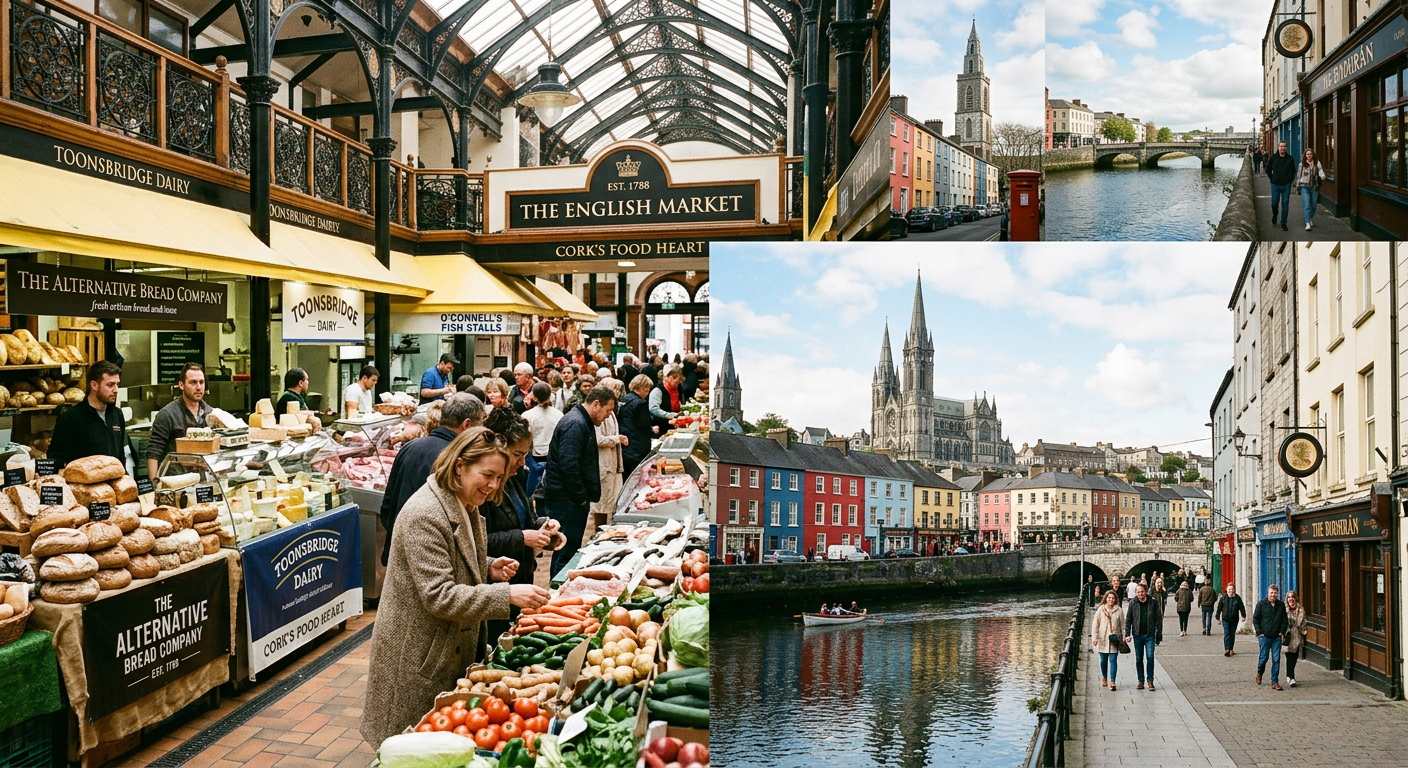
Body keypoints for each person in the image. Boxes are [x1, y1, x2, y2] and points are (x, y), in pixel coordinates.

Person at [359, 427, 552, 748]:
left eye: (499, 478)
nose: (492, 486)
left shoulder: (463, 502)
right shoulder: (426, 513)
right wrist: (507, 594)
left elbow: (452, 557)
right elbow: (440, 596)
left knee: (436, 748)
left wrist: (487, 565)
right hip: (418, 652)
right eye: (487, 475)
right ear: (460, 465)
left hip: (443, 646)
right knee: (407, 747)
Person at [480, 407, 564, 635]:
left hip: (521, 577)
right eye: (517, 454)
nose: (522, 461)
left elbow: (526, 518)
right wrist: (523, 538)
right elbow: (477, 542)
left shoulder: (517, 477)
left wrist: (544, 529)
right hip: (495, 591)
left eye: (525, 454)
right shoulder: (482, 488)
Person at [378, 394, 484, 565]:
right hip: (434, 558)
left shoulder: (410, 447)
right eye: (481, 425)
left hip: (397, 550)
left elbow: (388, 504)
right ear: (467, 425)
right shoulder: (458, 460)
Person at [542, 384, 618, 575]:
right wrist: (580, 497)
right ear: (596, 404)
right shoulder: (576, 424)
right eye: (608, 410)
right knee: (564, 551)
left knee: (568, 548)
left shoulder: (581, 421)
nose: (608, 415)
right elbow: (568, 465)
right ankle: (556, 592)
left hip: (569, 498)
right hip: (566, 500)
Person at [49, 361, 131, 469]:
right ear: (94, 385)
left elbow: (120, 455)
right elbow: (56, 458)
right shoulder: (70, 418)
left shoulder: (117, 414)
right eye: (110, 385)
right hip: (83, 483)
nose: (116, 390)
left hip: (112, 482)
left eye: (117, 384)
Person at [146, 363, 212, 479]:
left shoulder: (210, 414)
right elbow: (154, 453)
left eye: (201, 382)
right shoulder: (167, 415)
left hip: (203, 482)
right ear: (181, 385)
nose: (198, 387)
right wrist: (155, 487)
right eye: (193, 382)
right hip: (175, 481)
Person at [592, 378, 628, 523]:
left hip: (614, 463)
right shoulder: (599, 413)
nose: (619, 393)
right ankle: (598, 530)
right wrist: (616, 439)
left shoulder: (611, 411)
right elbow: (598, 439)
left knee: (612, 500)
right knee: (601, 503)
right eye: (616, 389)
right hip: (604, 463)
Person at [522, 382, 561, 496]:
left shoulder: (527, 415)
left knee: (534, 492)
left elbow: (526, 439)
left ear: (534, 396)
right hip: (554, 457)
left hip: (535, 457)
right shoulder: (559, 414)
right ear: (550, 395)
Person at [1125, 583, 1162, 691]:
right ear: (1136, 593)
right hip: (1137, 635)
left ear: (1145, 591)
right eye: (1138, 592)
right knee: (1138, 658)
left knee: (1150, 657)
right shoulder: (1133, 603)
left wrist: (1159, 633)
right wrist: (1127, 634)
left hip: (1150, 634)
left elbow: (1158, 618)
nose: (1140, 594)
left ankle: (1150, 681)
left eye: (1142, 591)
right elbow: (1129, 619)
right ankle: (1140, 680)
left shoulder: (1153, 602)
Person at [1253, 584, 1289, 690]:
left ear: (1277, 594)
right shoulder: (1261, 604)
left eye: (1275, 593)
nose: (1273, 595)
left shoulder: (1281, 605)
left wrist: (1282, 632)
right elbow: (1256, 619)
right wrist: (1259, 632)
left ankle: (1275, 682)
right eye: (1271, 593)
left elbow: (1284, 620)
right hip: (1264, 637)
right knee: (1264, 658)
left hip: (1276, 637)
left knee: (1276, 659)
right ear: (1268, 593)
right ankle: (1260, 673)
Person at [617, 375, 655, 476]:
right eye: (647, 389)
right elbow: (644, 425)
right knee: (637, 475)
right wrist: (652, 430)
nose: (648, 392)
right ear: (642, 388)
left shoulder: (625, 399)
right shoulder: (640, 403)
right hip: (637, 445)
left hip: (625, 443)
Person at [1091, 589, 1125, 691]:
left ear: (1115, 600)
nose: (1111, 600)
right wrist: (1095, 637)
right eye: (1109, 598)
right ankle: (1104, 677)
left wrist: (1124, 637)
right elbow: (1095, 625)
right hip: (1103, 638)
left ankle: (1113, 681)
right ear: (1106, 599)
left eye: (1113, 598)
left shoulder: (1119, 610)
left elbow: (1122, 625)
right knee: (1103, 661)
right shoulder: (1101, 610)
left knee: (1113, 660)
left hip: (1115, 639)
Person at [1266, 140, 1297, 232]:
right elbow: (1268, 169)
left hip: (1286, 185)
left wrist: (1290, 180)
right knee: (1274, 203)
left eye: (1284, 146)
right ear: (1278, 147)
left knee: (1285, 204)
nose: (1283, 148)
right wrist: (1272, 178)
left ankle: (1283, 223)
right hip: (1275, 184)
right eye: (1281, 146)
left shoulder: (1290, 158)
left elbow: (1293, 171)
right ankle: (1275, 215)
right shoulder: (1273, 158)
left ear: (1286, 148)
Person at [1295, 148, 1326, 231]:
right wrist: (1297, 186)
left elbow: (1320, 170)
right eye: (1307, 154)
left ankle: (1309, 217)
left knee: (1314, 205)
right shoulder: (1302, 164)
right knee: (1307, 205)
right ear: (1305, 156)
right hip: (1304, 186)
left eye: (1310, 154)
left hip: (1314, 187)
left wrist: (1322, 176)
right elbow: (1298, 175)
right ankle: (1307, 223)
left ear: (1313, 155)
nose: (1309, 155)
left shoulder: (1316, 163)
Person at [649, 365, 685, 436]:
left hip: (673, 425)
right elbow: (653, 409)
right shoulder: (658, 390)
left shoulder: (677, 389)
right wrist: (670, 415)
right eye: (677, 381)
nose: (678, 384)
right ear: (671, 378)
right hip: (660, 428)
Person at [1215, 582, 1247, 656]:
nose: (1231, 591)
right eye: (1229, 589)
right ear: (1226, 589)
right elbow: (1219, 608)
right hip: (1225, 619)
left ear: (1234, 590)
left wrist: (1243, 615)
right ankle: (1227, 649)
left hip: (1234, 619)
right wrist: (1218, 618)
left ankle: (1231, 649)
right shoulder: (1223, 598)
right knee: (1227, 633)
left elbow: (1241, 607)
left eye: (1232, 589)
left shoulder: (1237, 598)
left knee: (1232, 634)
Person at [1284, 589, 1307, 687]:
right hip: (1288, 636)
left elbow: (1303, 622)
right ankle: (1290, 676)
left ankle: (1290, 676)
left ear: (1296, 598)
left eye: (1292, 597)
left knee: (1294, 657)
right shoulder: (1284, 609)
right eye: (1289, 597)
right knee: (1289, 656)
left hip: (1297, 635)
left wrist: (1304, 633)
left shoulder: (1300, 609)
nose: (1291, 599)